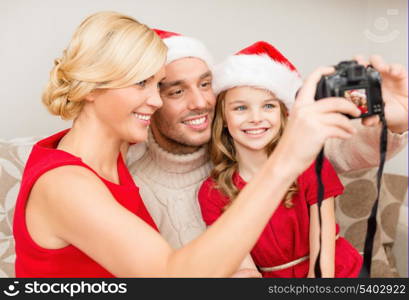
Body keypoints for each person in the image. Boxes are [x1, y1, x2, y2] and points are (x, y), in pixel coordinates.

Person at [13, 11, 358, 278]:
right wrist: (284, 164)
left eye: (159, 86)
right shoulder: (65, 185)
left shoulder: (112, 150)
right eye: (142, 84)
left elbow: (342, 153)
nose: (156, 101)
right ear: (90, 87)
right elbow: (171, 276)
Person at [126, 29, 408, 261]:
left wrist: (395, 120)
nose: (200, 102)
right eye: (177, 91)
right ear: (152, 100)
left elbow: (341, 147)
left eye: (205, 84)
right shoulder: (132, 182)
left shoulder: (255, 145)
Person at [198, 41, 363, 278]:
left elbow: (322, 256)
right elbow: (242, 266)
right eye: (241, 108)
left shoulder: (309, 165)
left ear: (283, 113)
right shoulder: (213, 193)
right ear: (223, 117)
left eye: (268, 106)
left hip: (337, 272)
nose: (256, 118)